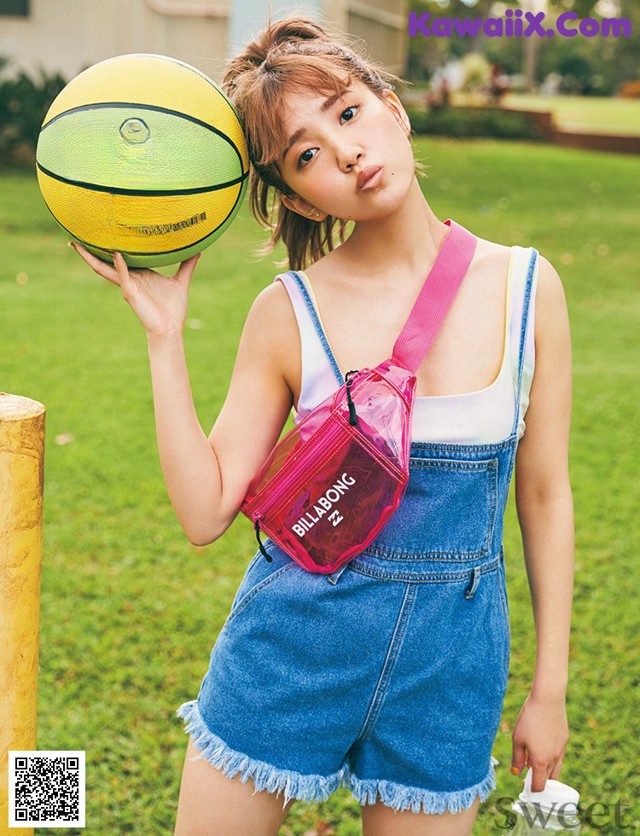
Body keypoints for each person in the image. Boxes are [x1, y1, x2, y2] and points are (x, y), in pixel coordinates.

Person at [72, 16, 574, 836]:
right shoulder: (287, 313)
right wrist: (165, 341)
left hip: (449, 669)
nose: (343, 152)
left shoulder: (525, 286)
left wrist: (547, 687)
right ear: (300, 194)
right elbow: (205, 514)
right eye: (305, 154)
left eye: (346, 112)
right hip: (292, 650)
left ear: (392, 107)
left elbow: (546, 496)